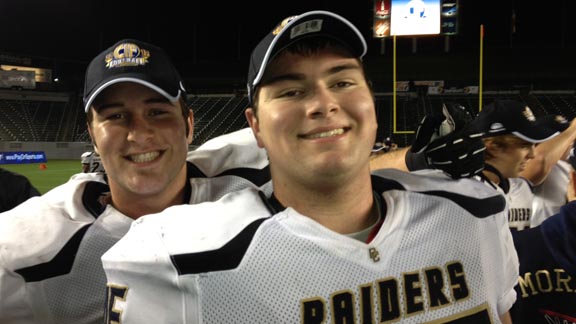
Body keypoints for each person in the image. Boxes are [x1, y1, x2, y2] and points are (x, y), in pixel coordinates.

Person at [102, 11, 517, 323]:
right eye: (291, 90)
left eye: (342, 82)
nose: (323, 103)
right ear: (256, 126)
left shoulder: (474, 210)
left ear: (372, 105)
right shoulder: (176, 257)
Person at [0, 39, 271, 324]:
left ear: (189, 126)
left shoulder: (251, 175)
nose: (139, 134)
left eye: (157, 112)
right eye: (116, 116)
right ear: (92, 135)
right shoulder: (32, 246)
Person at [472, 99, 560, 232]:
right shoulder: (465, 195)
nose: (532, 154)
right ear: (493, 146)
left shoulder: (521, 186)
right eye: (524, 145)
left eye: (533, 145)